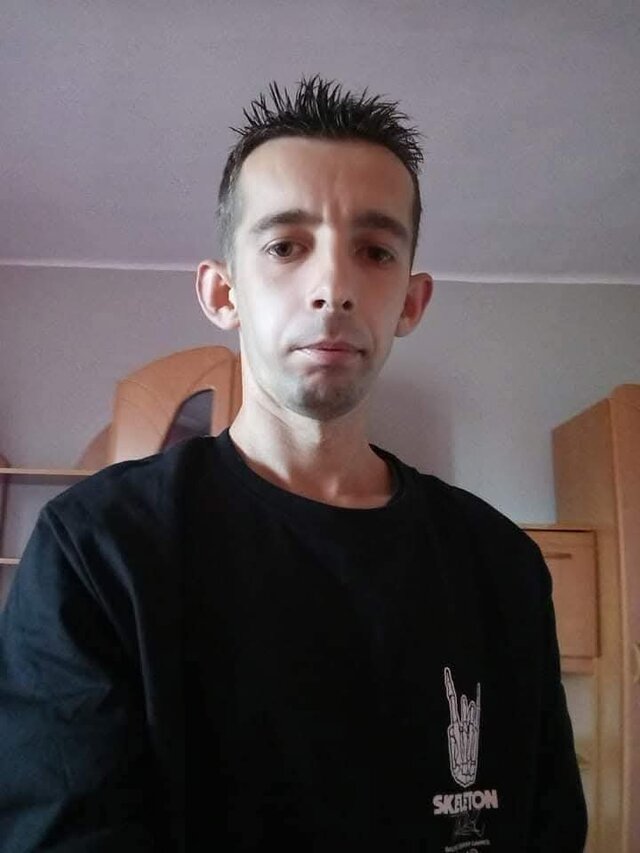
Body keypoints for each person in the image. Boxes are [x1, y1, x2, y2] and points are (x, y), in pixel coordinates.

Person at [0, 77, 586, 851]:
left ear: (411, 302)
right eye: (285, 246)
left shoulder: (502, 565)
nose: (333, 288)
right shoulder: (96, 550)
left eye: (374, 251)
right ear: (223, 292)